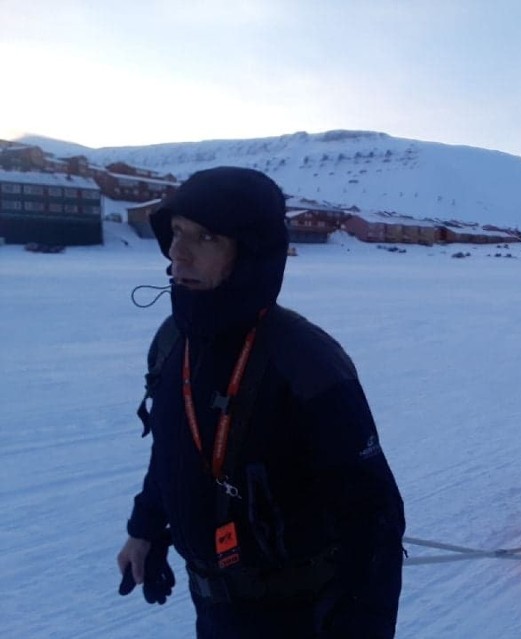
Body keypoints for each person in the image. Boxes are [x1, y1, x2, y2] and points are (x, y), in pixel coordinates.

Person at [116, 166, 405, 638]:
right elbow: (172, 447)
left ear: (250, 255)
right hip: (214, 610)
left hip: (302, 616)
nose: (178, 254)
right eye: (176, 232)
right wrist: (147, 530)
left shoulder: (307, 362)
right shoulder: (173, 342)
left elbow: (374, 521)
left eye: (205, 237)